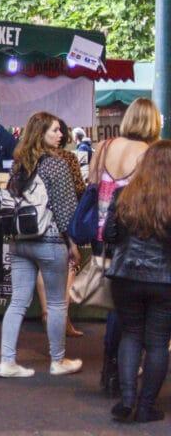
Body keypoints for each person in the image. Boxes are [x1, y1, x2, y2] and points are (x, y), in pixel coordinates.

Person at [0, 111, 82, 378]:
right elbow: (66, 209)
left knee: (18, 302)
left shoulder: (18, 164)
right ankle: (58, 360)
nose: (61, 134)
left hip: (20, 240)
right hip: (50, 240)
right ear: (41, 133)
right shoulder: (57, 164)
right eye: (54, 130)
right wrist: (73, 244)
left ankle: (7, 361)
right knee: (56, 303)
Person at [90, 98, 162, 397]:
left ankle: (110, 368)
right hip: (130, 236)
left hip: (101, 233)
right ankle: (123, 372)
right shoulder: (150, 154)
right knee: (131, 312)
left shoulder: (104, 147)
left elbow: (92, 185)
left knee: (115, 303)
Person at [102, 140, 171, 424]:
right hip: (165, 280)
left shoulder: (124, 195)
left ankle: (127, 400)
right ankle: (146, 407)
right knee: (157, 343)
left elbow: (109, 235)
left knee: (130, 335)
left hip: (125, 275)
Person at [36, 119, 87, 339]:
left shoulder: (30, 157)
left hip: (34, 224)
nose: (59, 134)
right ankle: (61, 319)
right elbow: (78, 189)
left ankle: (47, 313)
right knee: (70, 265)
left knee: (42, 268)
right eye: (56, 130)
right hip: (60, 223)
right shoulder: (67, 159)